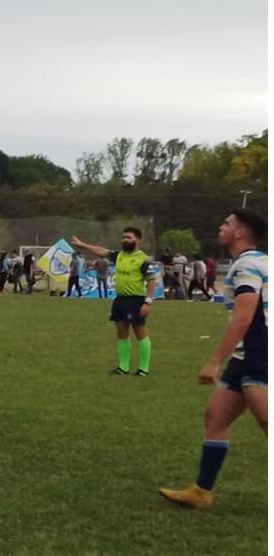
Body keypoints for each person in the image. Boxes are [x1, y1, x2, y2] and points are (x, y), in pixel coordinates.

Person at [159, 209, 267, 509]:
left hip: (259, 351)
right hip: (246, 355)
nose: (221, 227)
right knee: (216, 417)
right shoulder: (262, 261)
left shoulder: (247, 265)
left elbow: (244, 316)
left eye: (226, 224)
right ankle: (201, 491)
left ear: (239, 232)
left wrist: (214, 360)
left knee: (266, 419)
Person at [71, 228, 160, 376]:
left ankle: (143, 368)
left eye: (129, 237)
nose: (125, 240)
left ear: (138, 240)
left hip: (135, 300)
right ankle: (123, 367)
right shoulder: (119, 255)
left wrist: (148, 302)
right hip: (119, 299)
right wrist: (83, 245)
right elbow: (101, 251)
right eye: (123, 237)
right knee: (121, 332)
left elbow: (151, 280)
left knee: (140, 333)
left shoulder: (143, 259)